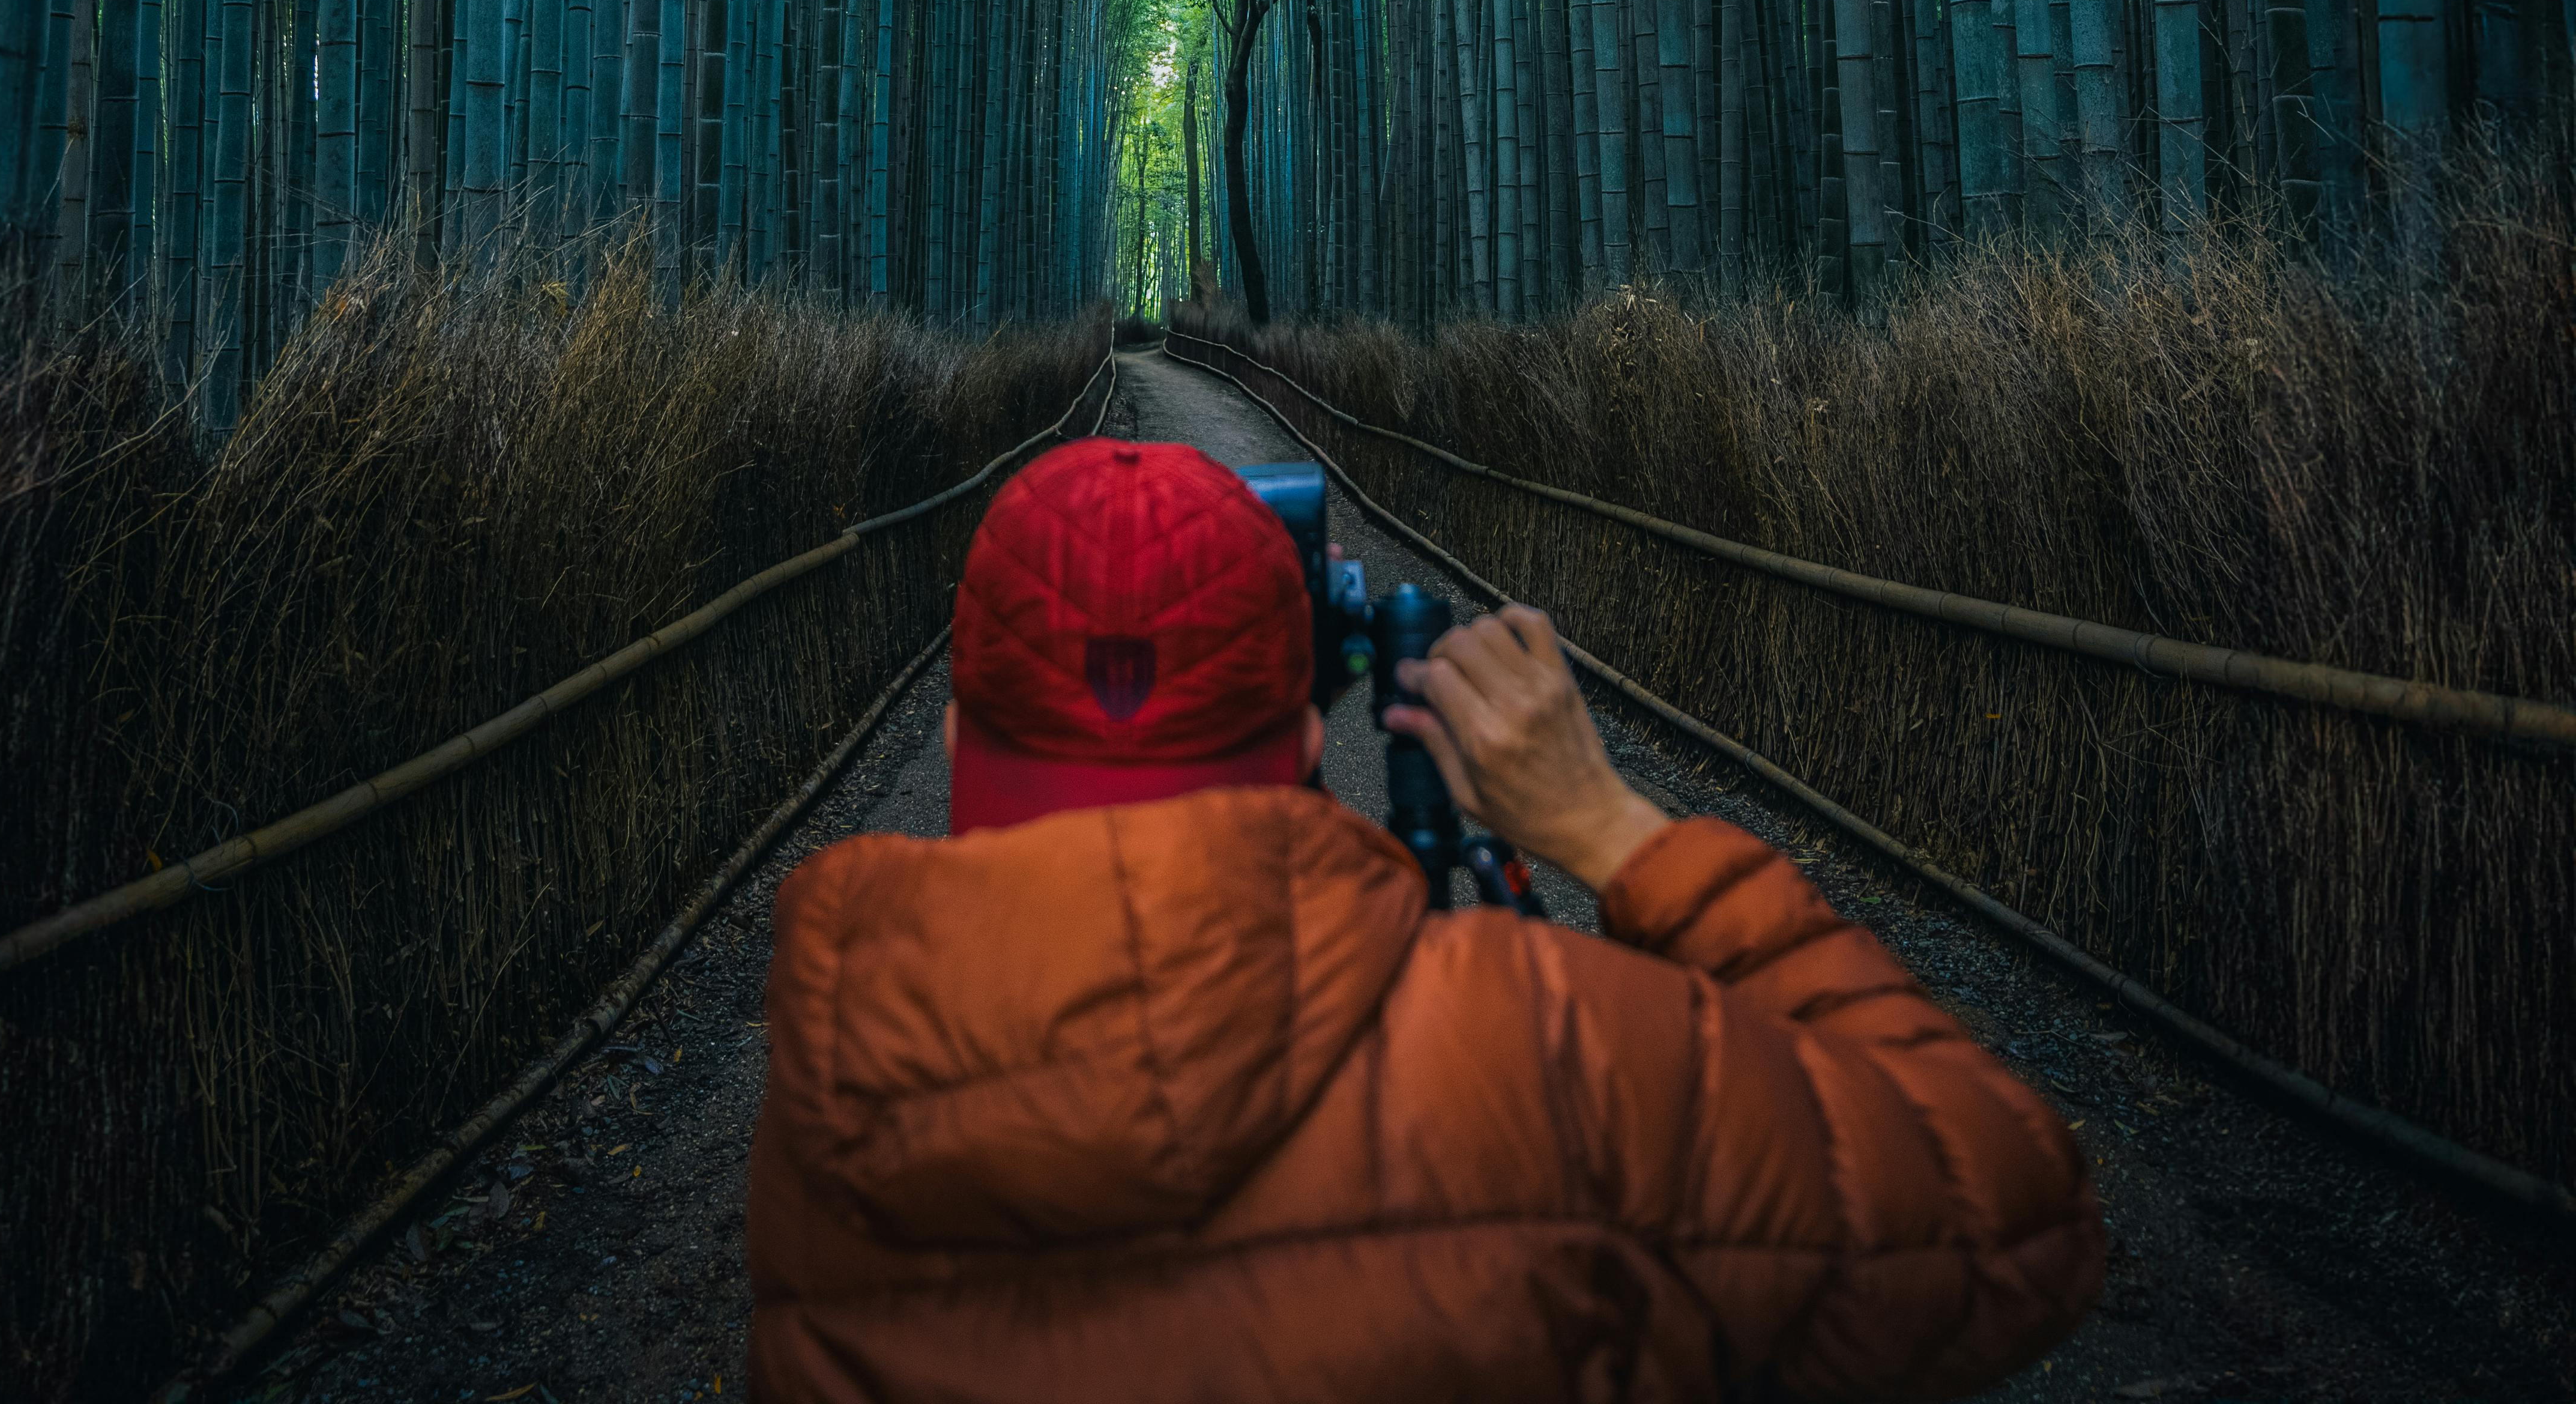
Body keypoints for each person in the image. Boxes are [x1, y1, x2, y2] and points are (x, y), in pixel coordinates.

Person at [748, 434, 2104, 1400]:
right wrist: (1609, 834)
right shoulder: (1536, 1047)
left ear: (951, 732)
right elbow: (2010, 1212)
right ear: (1300, 728)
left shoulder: (832, 1101)